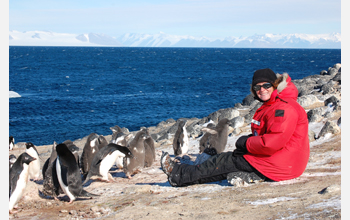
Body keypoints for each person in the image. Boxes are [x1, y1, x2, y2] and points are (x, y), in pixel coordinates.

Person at [160, 68, 310, 187]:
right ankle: (185, 172)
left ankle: (179, 175)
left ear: (275, 85)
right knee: (228, 159)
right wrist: (247, 145)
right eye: (257, 87)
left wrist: (245, 143)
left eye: (267, 85)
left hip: (280, 164)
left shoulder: (282, 109)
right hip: (284, 161)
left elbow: (271, 143)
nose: (262, 90)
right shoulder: (277, 104)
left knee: (225, 162)